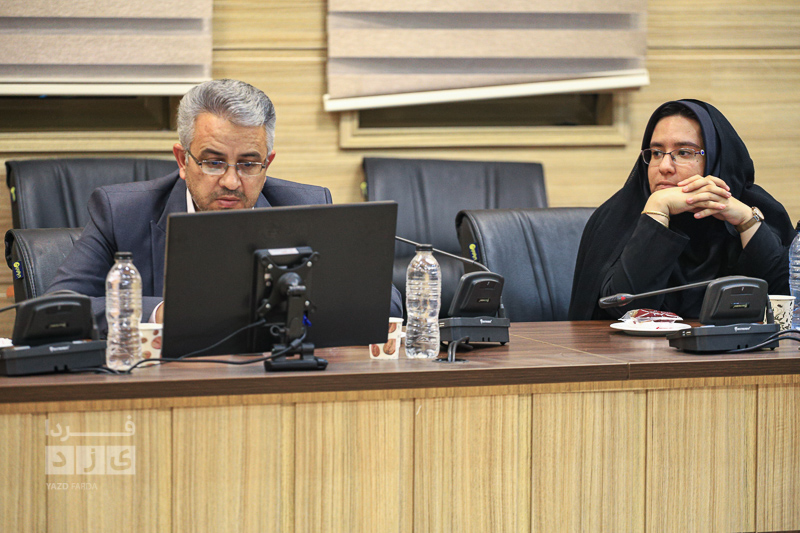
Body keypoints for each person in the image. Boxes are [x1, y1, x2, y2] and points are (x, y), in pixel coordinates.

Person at [48, 79, 403, 333]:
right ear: (182, 160)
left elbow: (386, 302)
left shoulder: (303, 207)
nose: (231, 181)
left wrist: (298, 304)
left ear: (267, 163)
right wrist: (161, 313)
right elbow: (57, 307)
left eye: (248, 164)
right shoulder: (122, 212)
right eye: (213, 162)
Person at [569, 99, 795, 320]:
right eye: (656, 153)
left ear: (716, 157)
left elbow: (788, 304)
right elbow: (624, 310)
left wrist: (747, 222)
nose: (664, 166)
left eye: (684, 153)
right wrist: (658, 208)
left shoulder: (755, 209)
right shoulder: (615, 218)